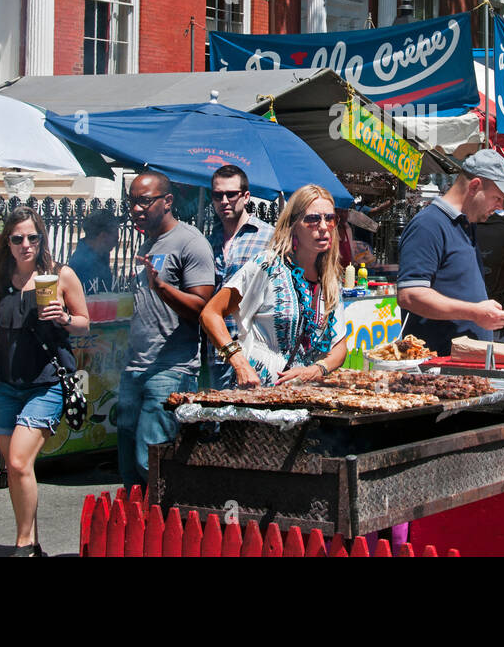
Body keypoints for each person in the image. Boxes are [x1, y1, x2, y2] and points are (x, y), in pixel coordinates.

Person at [0, 207, 90, 557]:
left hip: (47, 381)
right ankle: (32, 542)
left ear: (41, 238)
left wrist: (63, 317)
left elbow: (84, 323)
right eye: (17, 238)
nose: (25, 244)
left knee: (18, 462)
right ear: (7, 242)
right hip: (7, 383)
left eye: (32, 237)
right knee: (17, 469)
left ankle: (22, 545)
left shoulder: (60, 275)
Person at [119, 172, 214, 490]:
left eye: (144, 201)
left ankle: (167, 531)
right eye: (132, 201)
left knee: (152, 461)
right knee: (128, 465)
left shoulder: (191, 242)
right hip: (134, 367)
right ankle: (136, 531)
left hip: (170, 370)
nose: (136, 208)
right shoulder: (148, 242)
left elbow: (203, 308)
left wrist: (161, 287)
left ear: (168, 201)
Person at [200, 185, 348, 386]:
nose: (323, 226)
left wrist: (317, 369)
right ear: (294, 224)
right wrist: (239, 363)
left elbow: (339, 347)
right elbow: (210, 314)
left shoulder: (330, 279)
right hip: (258, 390)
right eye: (313, 219)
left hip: (303, 396)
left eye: (329, 218)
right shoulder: (267, 266)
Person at [396, 149, 504, 356]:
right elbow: (410, 295)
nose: (499, 207)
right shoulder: (428, 225)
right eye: (497, 198)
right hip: (436, 368)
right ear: (474, 186)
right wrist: (474, 312)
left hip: (461, 365)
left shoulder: (465, 224)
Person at [205, 165, 273, 387]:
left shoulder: (268, 238)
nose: (224, 200)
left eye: (231, 194)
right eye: (217, 195)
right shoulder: (207, 240)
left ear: (245, 197)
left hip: (252, 352)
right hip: (215, 350)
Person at [66, 209, 118, 295]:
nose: (116, 243)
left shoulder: (102, 254)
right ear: (103, 236)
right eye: (115, 238)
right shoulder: (82, 263)